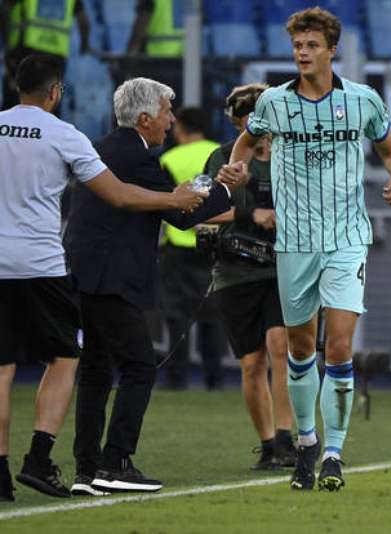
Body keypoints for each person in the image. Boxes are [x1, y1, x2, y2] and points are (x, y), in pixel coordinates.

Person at [0, 56, 204, 501]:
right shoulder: (66, 136)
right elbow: (121, 196)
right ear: (55, 92)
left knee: (5, 366)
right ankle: (47, 457)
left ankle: (10, 469)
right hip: (42, 264)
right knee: (68, 361)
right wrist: (177, 197)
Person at [228, 6, 391, 491]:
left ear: (332, 49)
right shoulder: (273, 104)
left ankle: (333, 453)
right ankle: (306, 442)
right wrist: (238, 170)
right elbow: (245, 145)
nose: (302, 54)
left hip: (347, 238)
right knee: (300, 346)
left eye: (311, 46)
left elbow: (390, 149)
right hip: (295, 243)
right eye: (297, 46)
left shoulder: (362, 100)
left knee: (341, 346)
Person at [64, 77, 242, 496]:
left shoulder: (108, 148)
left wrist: (209, 183)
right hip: (113, 277)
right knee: (139, 366)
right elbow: (180, 212)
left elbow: (171, 197)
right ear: (144, 118)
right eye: (165, 111)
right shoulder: (136, 157)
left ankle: (86, 468)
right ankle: (116, 462)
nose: (171, 120)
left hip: (85, 274)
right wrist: (227, 187)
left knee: (94, 371)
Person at [205, 83, 296, 470]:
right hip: (236, 271)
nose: (252, 129)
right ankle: (269, 445)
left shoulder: (293, 156)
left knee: (281, 347)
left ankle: (288, 437)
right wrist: (250, 215)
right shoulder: (223, 159)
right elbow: (204, 211)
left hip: (283, 267)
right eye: (244, 122)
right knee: (251, 363)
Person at [159, 107, 224, 390]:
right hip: (213, 245)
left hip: (178, 245)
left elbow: (165, 203)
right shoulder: (222, 153)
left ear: (180, 127)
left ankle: (176, 379)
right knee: (212, 315)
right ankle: (215, 379)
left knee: (176, 316)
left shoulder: (169, 158)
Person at [1, 0, 91, 110]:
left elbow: (6, 8)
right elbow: (84, 21)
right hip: (57, 54)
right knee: (50, 100)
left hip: (26, 50)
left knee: (15, 99)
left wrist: (7, 42)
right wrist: (85, 45)